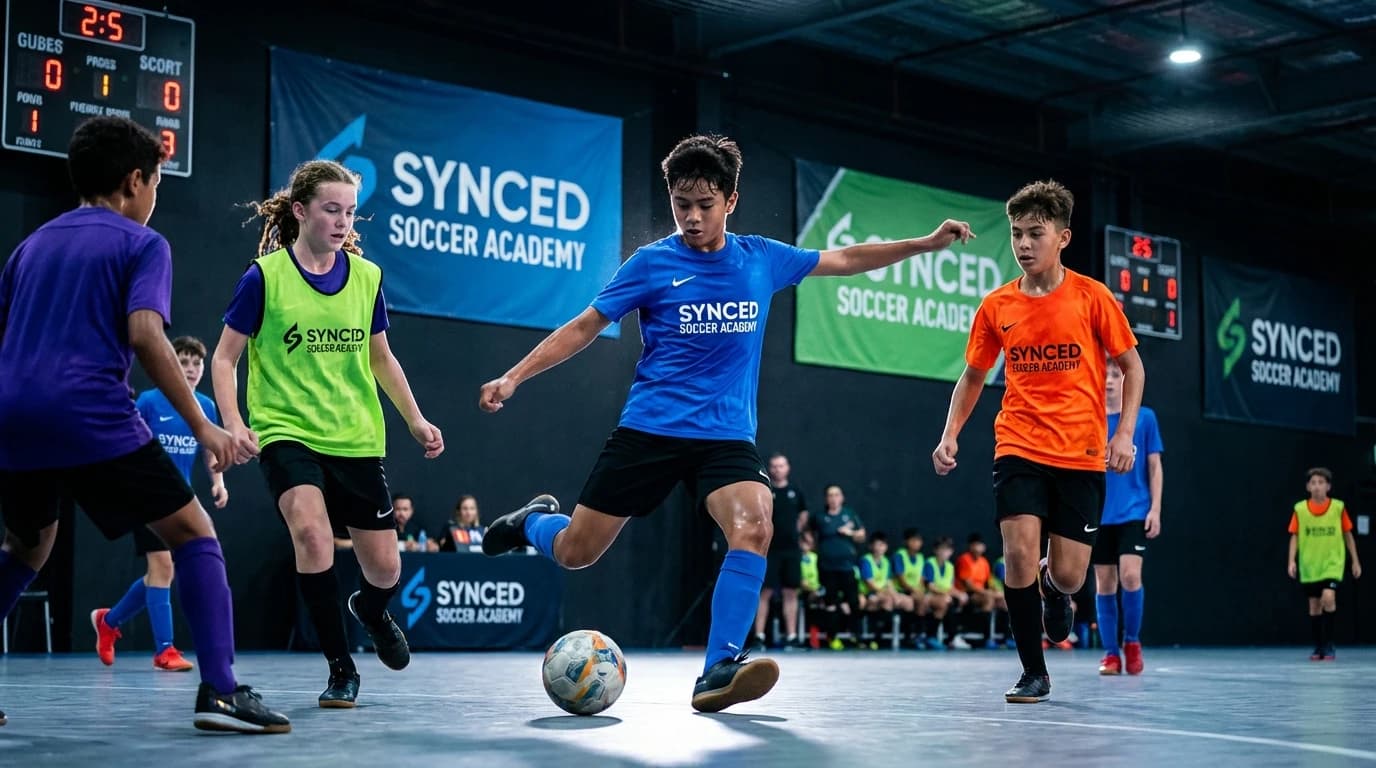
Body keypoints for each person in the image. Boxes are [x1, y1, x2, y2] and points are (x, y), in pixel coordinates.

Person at [476, 134, 972, 712]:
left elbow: (846, 258)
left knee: (755, 524)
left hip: (725, 437)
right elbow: (585, 325)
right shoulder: (653, 263)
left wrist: (926, 243)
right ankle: (531, 522)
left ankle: (718, 668)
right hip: (651, 429)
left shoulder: (761, 258)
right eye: (681, 203)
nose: (691, 216)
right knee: (576, 552)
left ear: (731, 201)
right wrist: (514, 376)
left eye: (704, 204)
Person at [0, 116, 288, 732]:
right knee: (193, 532)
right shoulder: (142, 244)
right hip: (89, 410)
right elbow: (145, 334)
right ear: (136, 181)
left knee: (28, 546)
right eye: (157, 183)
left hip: (14, 415)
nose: (156, 198)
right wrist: (205, 426)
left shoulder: (31, 245)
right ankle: (221, 690)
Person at [211, 159, 444, 708]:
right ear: (300, 211)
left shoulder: (367, 279)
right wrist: (234, 423)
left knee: (385, 569)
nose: (343, 222)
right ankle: (342, 668)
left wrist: (415, 418)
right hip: (286, 430)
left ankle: (369, 608)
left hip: (356, 437)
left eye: (350, 212)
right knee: (312, 536)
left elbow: (382, 358)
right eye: (331, 210)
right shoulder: (264, 277)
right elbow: (224, 359)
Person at [932, 179, 1143, 703]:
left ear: (1063, 237)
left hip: (1081, 452)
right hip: (1019, 446)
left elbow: (1132, 368)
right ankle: (1034, 671)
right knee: (1019, 555)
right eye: (1016, 234)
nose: (1023, 244)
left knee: (1071, 575)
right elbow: (974, 376)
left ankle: (1054, 589)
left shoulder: (1093, 297)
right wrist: (950, 434)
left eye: (1035, 234)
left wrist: (1124, 434)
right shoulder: (997, 305)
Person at [92, 336, 227, 672]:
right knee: (163, 568)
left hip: (181, 501)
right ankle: (164, 651)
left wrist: (218, 482)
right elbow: (125, 439)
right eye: (183, 362)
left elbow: (209, 448)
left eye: (196, 363)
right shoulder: (150, 402)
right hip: (146, 496)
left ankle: (110, 621)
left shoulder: (206, 407)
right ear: (170, 364)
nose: (192, 369)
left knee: (161, 573)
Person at [1094, 356, 1164, 676]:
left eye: (1115, 374)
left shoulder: (1144, 418)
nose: (1109, 380)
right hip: (1098, 512)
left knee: (1131, 576)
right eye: (1104, 374)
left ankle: (1132, 642)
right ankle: (1110, 654)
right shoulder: (1090, 418)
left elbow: (1154, 467)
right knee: (1105, 583)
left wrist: (1155, 509)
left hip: (1134, 510)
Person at [1288, 467, 1361, 661]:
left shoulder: (1338, 508)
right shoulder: (1300, 509)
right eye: (1313, 483)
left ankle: (1329, 644)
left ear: (1328, 486)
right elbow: (1294, 536)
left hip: (1332, 563)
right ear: (1307, 487)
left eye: (1321, 482)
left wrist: (1355, 561)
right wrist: (1291, 561)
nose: (1317, 486)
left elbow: (1348, 535)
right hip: (1310, 565)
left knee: (1328, 597)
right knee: (1314, 606)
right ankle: (1318, 646)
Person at [752, 452, 808, 649]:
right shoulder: (765, 491)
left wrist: (797, 534)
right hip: (769, 550)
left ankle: (791, 636)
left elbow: (803, 515)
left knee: (790, 592)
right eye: (774, 466)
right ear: (770, 468)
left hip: (791, 550)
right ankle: (759, 636)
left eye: (781, 465)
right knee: (765, 592)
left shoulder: (795, 491)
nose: (777, 469)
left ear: (788, 468)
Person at [810, 484, 867, 650]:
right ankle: (832, 638)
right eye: (830, 495)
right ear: (826, 499)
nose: (833, 498)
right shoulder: (820, 517)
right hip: (827, 567)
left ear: (841, 498)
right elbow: (810, 534)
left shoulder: (849, 515)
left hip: (847, 567)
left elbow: (862, 535)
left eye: (836, 495)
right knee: (831, 603)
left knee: (854, 602)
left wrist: (850, 533)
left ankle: (857, 637)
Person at [956, 532, 1006, 614]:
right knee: (988, 599)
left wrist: (996, 591)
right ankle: (981, 625)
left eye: (980, 545)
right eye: (975, 545)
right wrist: (987, 592)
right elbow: (969, 585)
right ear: (970, 546)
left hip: (982, 592)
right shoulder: (964, 560)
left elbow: (990, 581)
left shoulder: (984, 562)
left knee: (1003, 600)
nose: (978, 548)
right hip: (967, 593)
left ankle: (1005, 626)